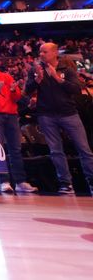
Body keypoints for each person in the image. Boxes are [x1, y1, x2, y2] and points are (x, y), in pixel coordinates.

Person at [25, 42, 93, 194]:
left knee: (84, 149)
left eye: (45, 52)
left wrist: (57, 78)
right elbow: (27, 91)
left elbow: (76, 89)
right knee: (56, 151)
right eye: (40, 52)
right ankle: (66, 183)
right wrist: (37, 80)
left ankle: (91, 181)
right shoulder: (36, 70)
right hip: (46, 115)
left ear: (55, 53)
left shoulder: (67, 69)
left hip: (69, 113)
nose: (41, 54)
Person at [0, 53, 38, 193]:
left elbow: (16, 97)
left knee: (16, 149)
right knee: (0, 150)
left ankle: (20, 182)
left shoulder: (6, 76)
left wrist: (14, 90)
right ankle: (3, 181)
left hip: (11, 115)